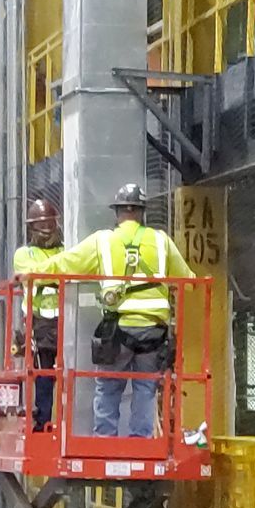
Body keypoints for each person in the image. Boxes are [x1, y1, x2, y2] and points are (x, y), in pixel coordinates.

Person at [70, 180, 188, 439]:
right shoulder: (161, 241)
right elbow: (187, 280)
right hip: (154, 333)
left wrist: (32, 274)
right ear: (142, 211)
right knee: (146, 387)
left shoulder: (103, 241)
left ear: (118, 212)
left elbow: (67, 263)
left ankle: (105, 439)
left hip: (118, 330)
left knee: (109, 387)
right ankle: (140, 440)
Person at [11, 194, 68, 431]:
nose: (46, 229)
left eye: (49, 224)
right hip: (40, 323)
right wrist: (57, 272)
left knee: (71, 371)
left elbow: (70, 268)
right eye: (41, 225)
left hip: (68, 319)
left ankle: (67, 421)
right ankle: (43, 420)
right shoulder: (24, 254)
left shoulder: (66, 249)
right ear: (32, 228)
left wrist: (48, 273)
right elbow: (33, 275)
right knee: (44, 374)